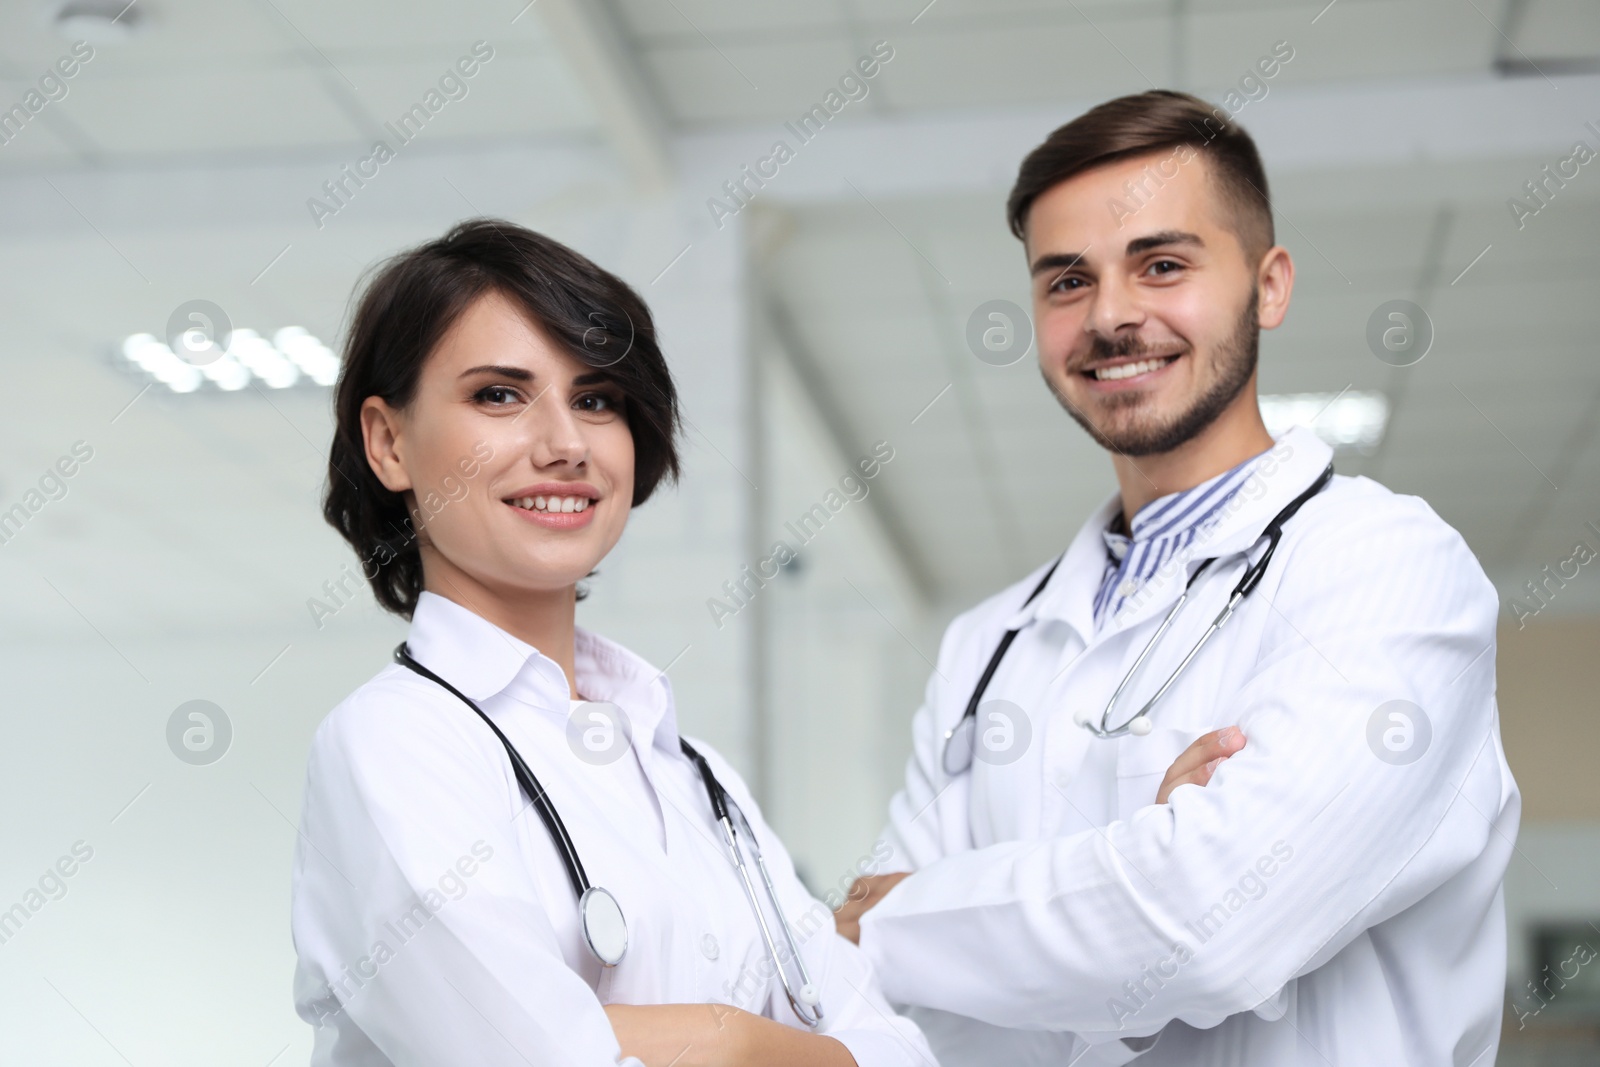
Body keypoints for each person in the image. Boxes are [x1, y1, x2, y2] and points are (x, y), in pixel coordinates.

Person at [836, 90, 1520, 1066]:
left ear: (1269, 285)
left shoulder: (1387, 566)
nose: (1111, 314)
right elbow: (874, 1004)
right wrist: (1131, 873)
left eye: (1161, 264)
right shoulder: (983, 646)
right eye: (1066, 281)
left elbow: (1217, 921)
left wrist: (914, 921)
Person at [289, 219, 933, 1067]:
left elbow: (900, 1053)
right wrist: (736, 1035)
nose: (564, 445)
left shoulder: (695, 774)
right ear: (389, 441)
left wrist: (703, 1040)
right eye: (499, 394)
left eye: (596, 399)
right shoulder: (393, 746)